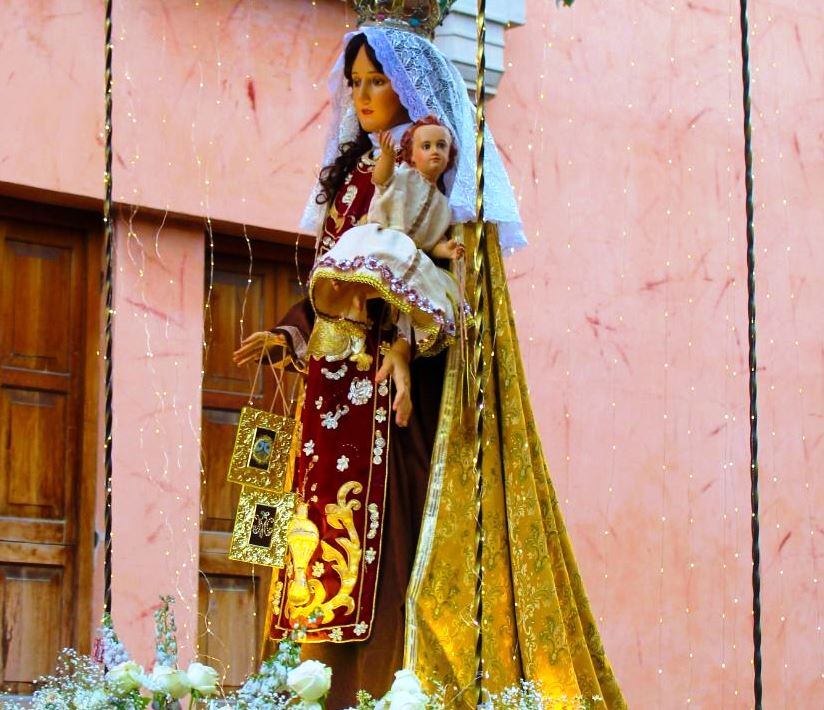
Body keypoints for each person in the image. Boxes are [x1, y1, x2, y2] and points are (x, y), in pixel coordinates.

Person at [233, 20, 626, 708]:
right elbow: (331, 281)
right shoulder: (352, 175)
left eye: (377, 81)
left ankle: (388, 693)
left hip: (390, 396)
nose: (362, 94)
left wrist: (404, 347)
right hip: (330, 394)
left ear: (412, 91)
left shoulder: (429, 173)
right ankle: (300, 689)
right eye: (355, 82)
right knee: (306, 543)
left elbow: (449, 291)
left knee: (386, 552)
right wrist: (290, 336)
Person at [310, 115, 467, 363]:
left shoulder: (443, 206)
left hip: (408, 251)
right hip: (383, 236)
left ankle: (388, 321)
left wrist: (446, 250)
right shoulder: (404, 175)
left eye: (441, 146)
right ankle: (349, 291)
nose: (434, 151)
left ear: (450, 156)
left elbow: (431, 243)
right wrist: (386, 156)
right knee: (366, 264)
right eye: (426, 146)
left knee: (421, 285)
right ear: (412, 155)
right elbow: (381, 180)